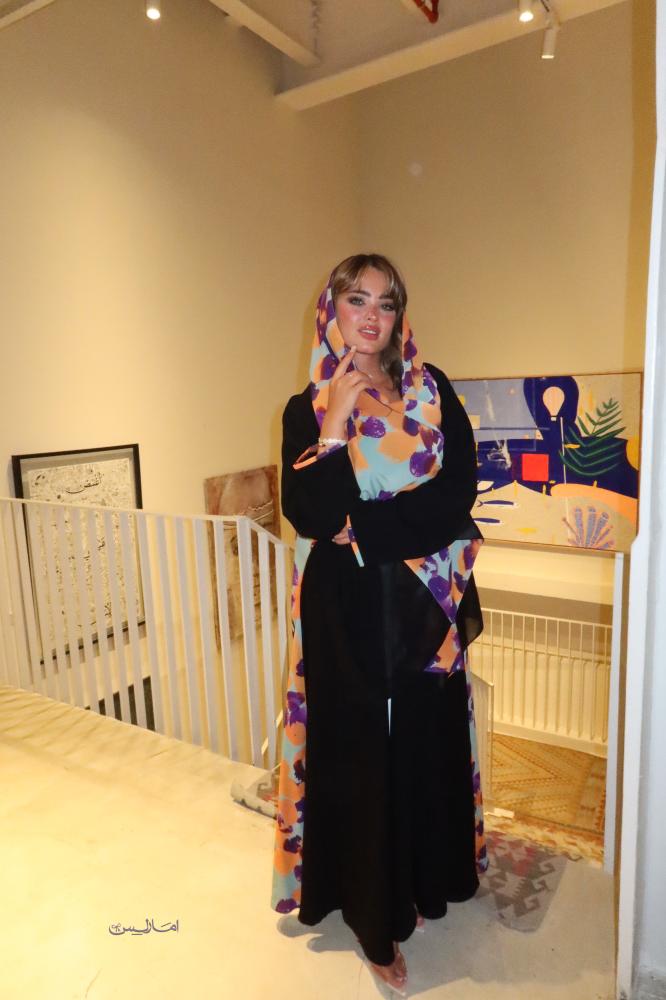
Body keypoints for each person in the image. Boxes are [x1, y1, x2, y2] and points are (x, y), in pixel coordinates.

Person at [271, 253, 487, 995]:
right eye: (356, 299)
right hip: (347, 611)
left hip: (430, 606)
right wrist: (335, 423)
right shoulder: (305, 408)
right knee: (362, 759)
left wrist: (362, 529)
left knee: (424, 744)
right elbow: (309, 513)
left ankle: (426, 880)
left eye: (386, 302)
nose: (371, 315)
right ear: (330, 309)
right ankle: (372, 918)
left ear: (400, 316)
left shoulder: (432, 389)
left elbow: (459, 494)